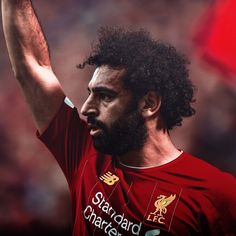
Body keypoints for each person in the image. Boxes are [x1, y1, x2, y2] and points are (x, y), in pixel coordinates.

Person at [2, 1, 236, 235]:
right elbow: (32, 67)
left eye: (105, 96)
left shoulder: (216, 193)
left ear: (149, 104)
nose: (86, 108)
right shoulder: (86, 156)